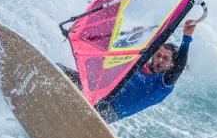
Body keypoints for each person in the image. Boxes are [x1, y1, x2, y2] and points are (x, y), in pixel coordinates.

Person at [60, 20, 197, 123]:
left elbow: (179, 67)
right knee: (58, 70)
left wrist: (187, 38)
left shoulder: (163, 83)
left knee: (78, 116)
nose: (159, 59)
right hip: (96, 90)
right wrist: (134, 38)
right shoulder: (140, 63)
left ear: (171, 64)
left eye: (165, 58)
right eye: (158, 55)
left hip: (109, 111)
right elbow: (115, 50)